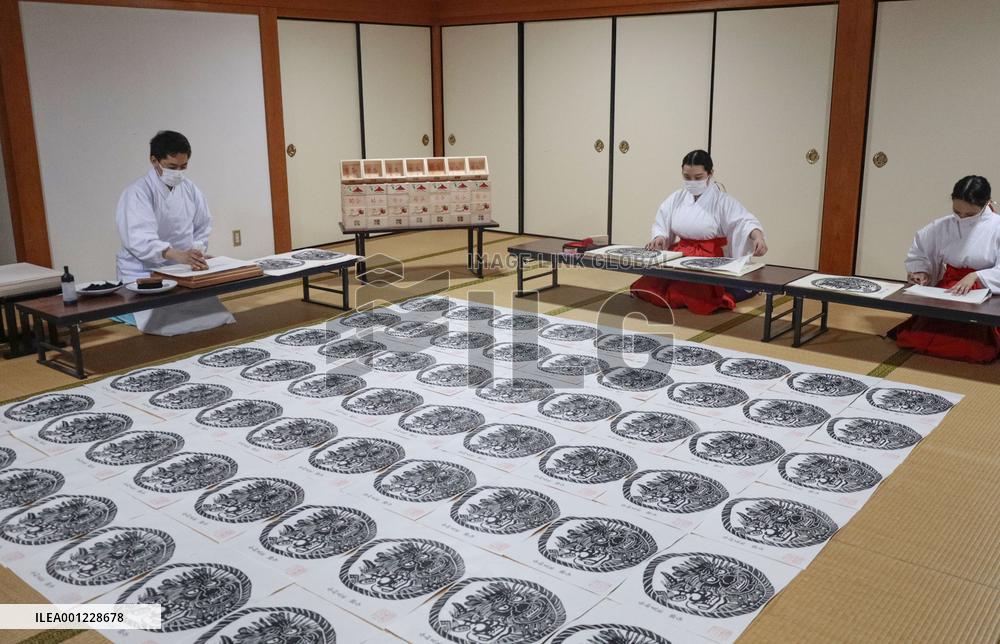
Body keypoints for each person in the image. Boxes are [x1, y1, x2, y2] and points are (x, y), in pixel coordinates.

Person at [115, 130, 234, 336]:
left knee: (213, 316)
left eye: (183, 166)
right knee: (164, 322)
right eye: (172, 167)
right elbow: (139, 238)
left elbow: (203, 225)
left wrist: (196, 252)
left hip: (181, 267)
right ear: (155, 161)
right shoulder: (138, 192)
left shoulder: (190, 189)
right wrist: (174, 254)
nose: (178, 172)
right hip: (144, 269)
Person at [630, 150, 767, 315]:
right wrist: (660, 237)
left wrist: (758, 237)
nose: (692, 182)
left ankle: (738, 290)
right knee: (648, 287)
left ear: (710, 173)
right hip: (679, 254)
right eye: (687, 177)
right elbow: (662, 221)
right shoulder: (677, 198)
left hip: (709, 257)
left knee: (692, 295)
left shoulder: (722, 201)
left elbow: (744, 221)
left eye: (698, 177)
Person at [890, 175, 1000, 362]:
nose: (962, 218)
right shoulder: (943, 225)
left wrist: (977, 276)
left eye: (970, 214)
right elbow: (921, 250)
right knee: (917, 338)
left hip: (985, 292)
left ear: (986, 203)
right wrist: (922, 272)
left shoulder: (996, 226)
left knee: (976, 348)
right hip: (950, 287)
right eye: (957, 211)